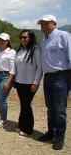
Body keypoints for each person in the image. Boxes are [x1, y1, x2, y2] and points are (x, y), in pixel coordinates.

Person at [37, 14, 71, 150]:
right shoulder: (43, 42)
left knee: (60, 109)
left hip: (61, 77)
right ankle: (51, 133)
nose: (43, 26)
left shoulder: (64, 36)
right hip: (48, 77)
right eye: (41, 24)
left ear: (54, 24)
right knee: (50, 107)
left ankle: (60, 137)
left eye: (46, 23)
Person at [14, 29, 42, 136]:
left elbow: (39, 67)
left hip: (30, 83)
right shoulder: (20, 51)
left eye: (25, 37)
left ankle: (28, 129)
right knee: (23, 104)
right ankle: (21, 125)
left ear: (31, 38)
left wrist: (36, 82)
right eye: (21, 37)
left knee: (26, 105)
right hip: (20, 82)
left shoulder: (36, 50)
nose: (22, 39)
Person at [0, 33, 16, 129]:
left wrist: (8, 82)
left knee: (2, 99)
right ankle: (2, 117)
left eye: (4, 40)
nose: (1, 42)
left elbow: (13, 69)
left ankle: (3, 120)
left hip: (5, 76)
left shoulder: (12, 52)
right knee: (0, 98)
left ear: (8, 41)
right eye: (0, 40)